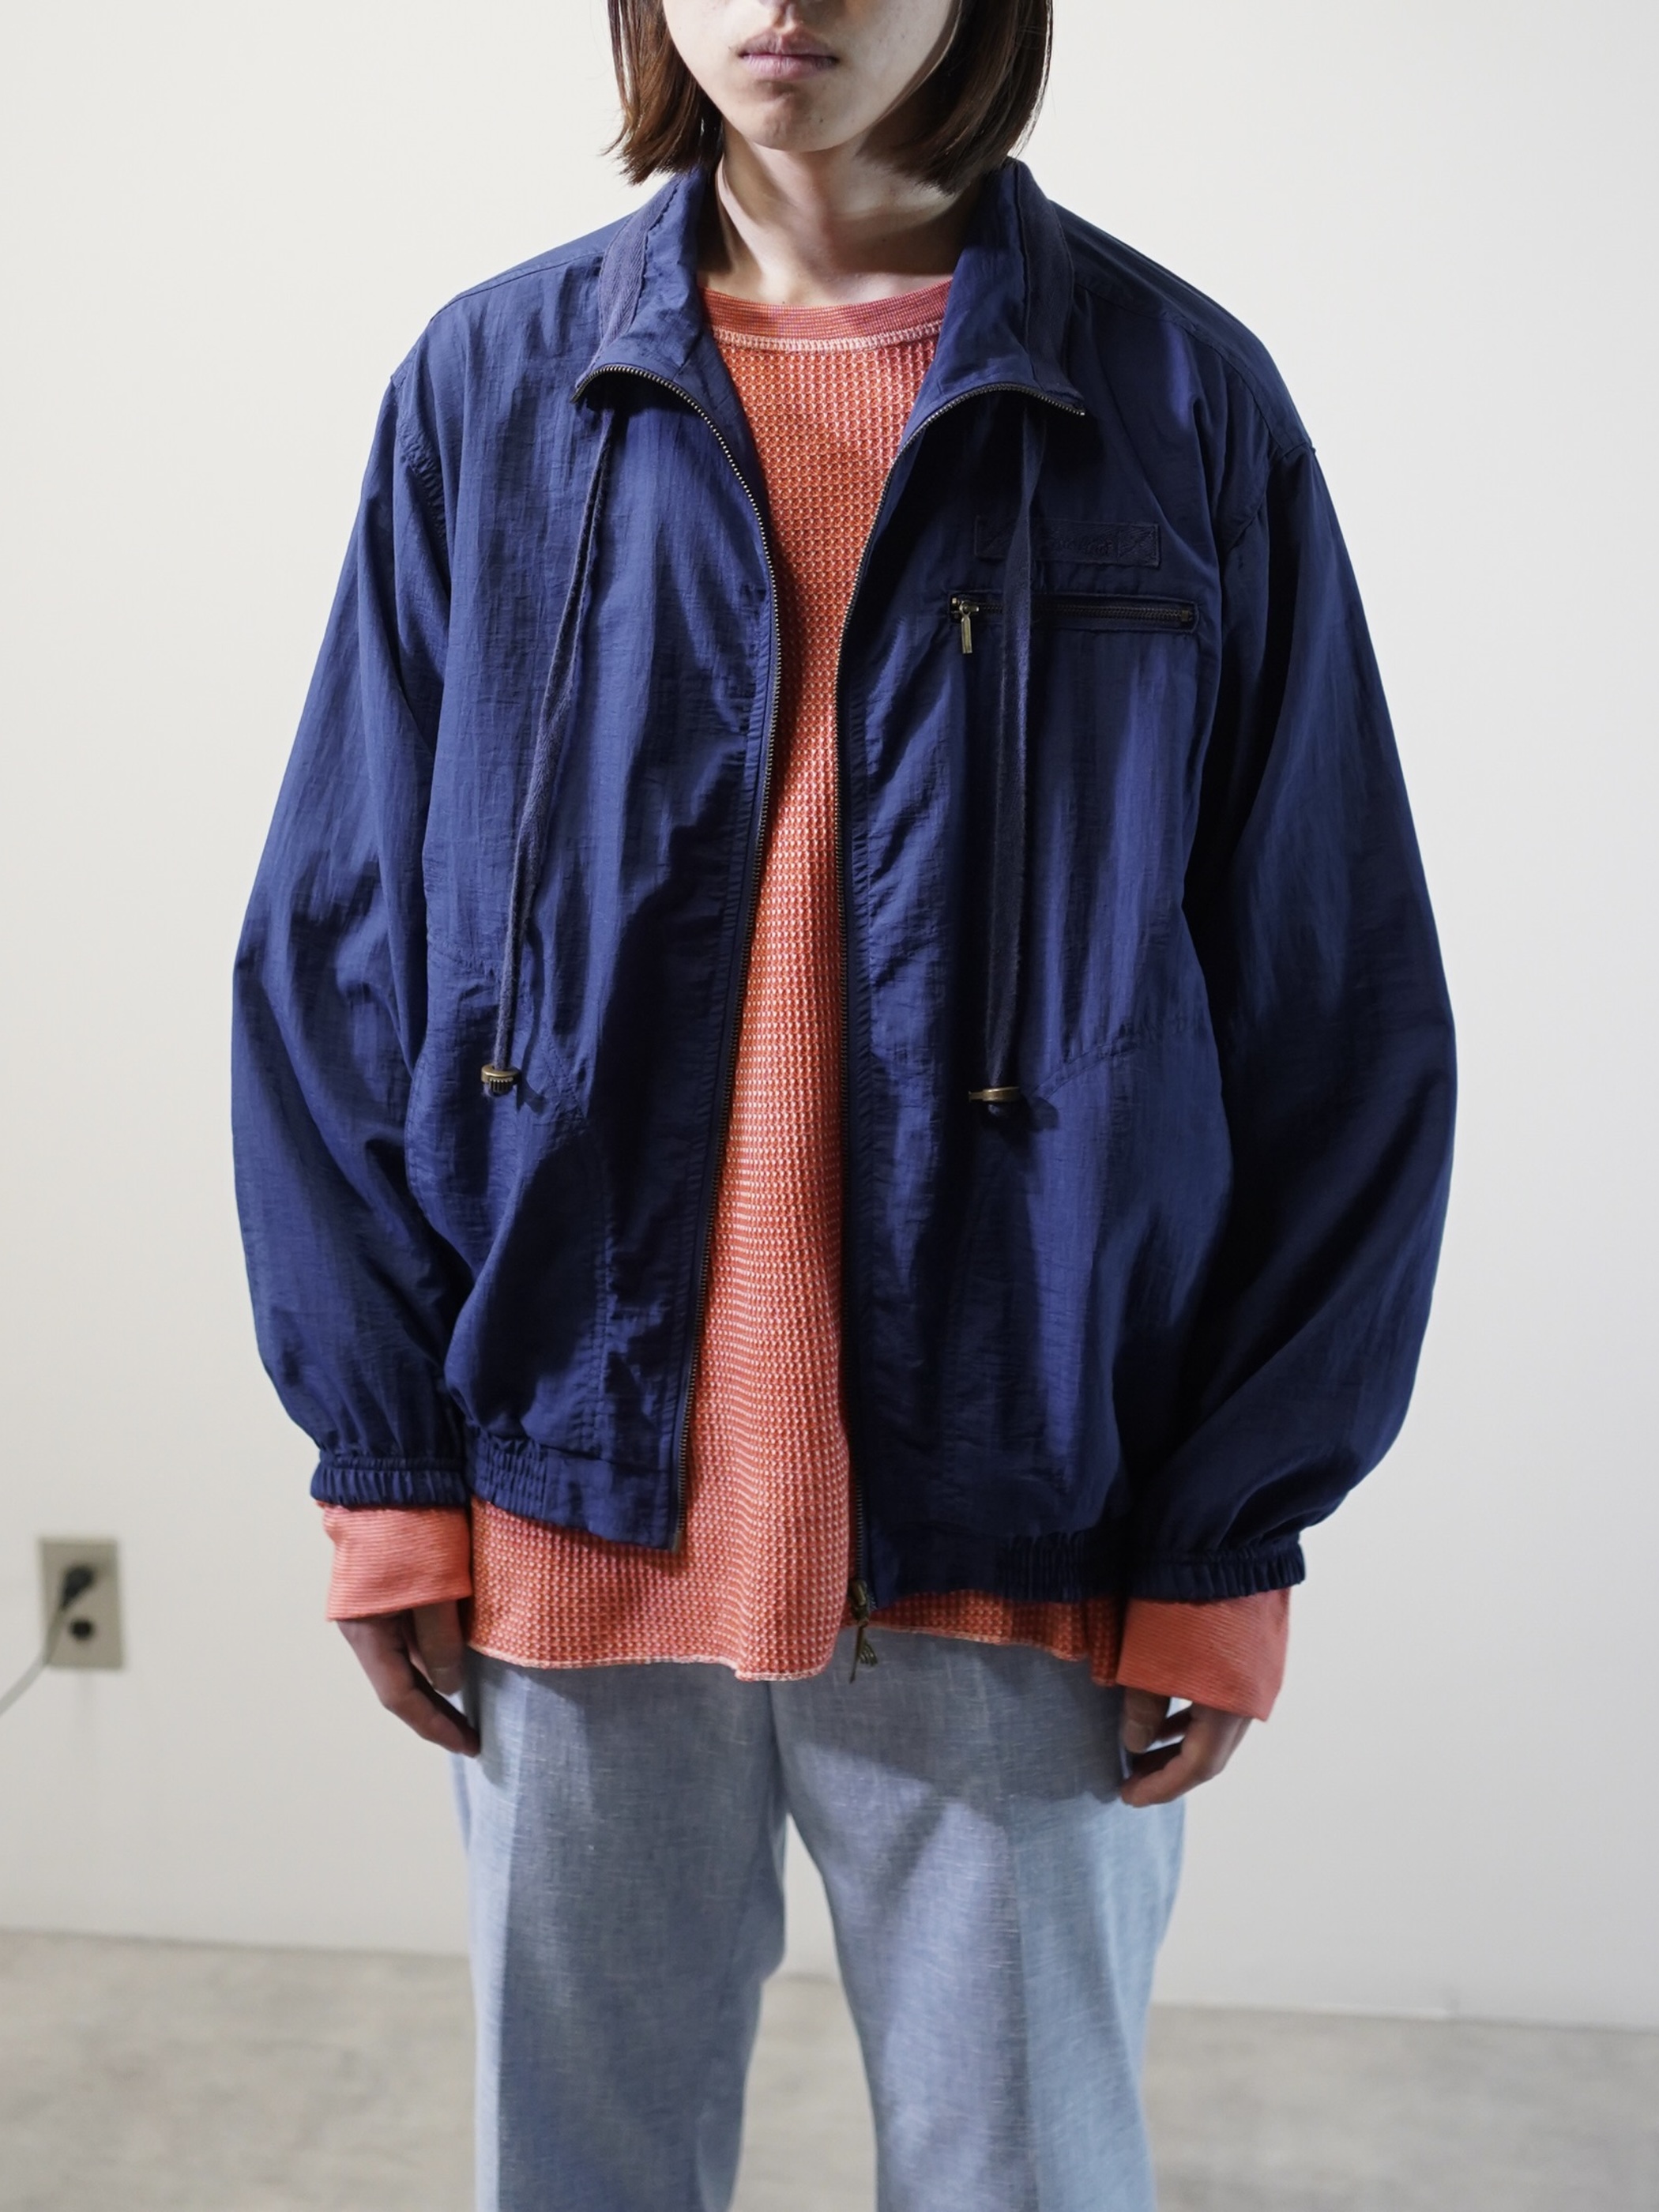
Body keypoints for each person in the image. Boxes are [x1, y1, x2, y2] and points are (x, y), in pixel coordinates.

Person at [231, 2, 1455, 2206]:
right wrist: (388, 1452)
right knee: (581, 2176)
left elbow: (1332, 994)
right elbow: (338, 946)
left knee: (1022, 2177)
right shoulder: (493, 391)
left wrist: (1231, 1522)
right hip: (571, 1501)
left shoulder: (1175, 401)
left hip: (1030, 1514)